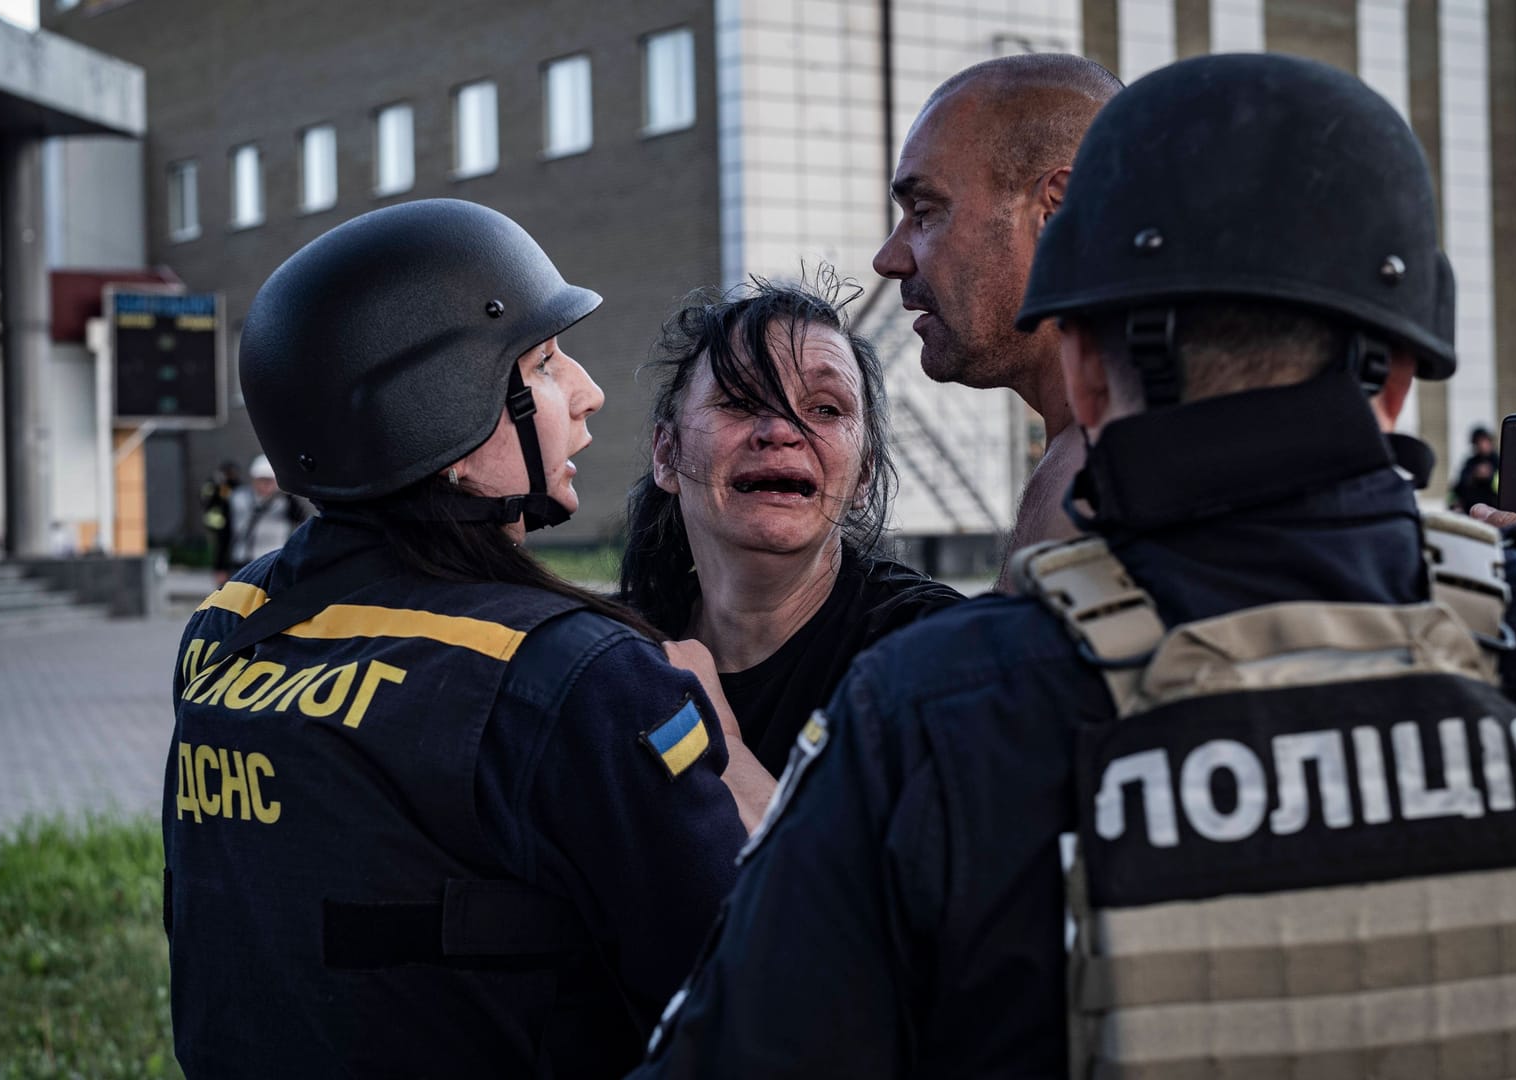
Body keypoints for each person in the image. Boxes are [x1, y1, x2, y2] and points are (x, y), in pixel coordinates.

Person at [634, 54, 1516, 1079]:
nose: (893, 257)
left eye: (925, 211)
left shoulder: (931, 709)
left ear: (1085, 370)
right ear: (1401, 377)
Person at [164, 199, 747, 1079]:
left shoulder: (227, 628)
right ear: (443, 426)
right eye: (546, 364)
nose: (586, 392)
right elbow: (746, 987)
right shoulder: (573, 678)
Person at [618, 276, 964, 781]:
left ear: (864, 472)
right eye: (738, 399)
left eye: (825, 409)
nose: (779, 430)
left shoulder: (931, 650)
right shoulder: (616, 653)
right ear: (666, 454)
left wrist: (714, 744)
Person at [871, 53, 1121, 556]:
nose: (888, 260)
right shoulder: (1096, 456)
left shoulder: (1115, 478)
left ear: (1057, 215)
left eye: (924, 213)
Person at [228, 453, 309, 566]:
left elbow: (300, 519)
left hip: (273, 557)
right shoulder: (239, 498)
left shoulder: (285, 501)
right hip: (242, 557)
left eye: (269, 481)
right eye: (262, 480)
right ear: (254, 480)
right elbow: (226, 531)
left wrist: (288, 496)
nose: (265, 485)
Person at [200, 460, 241, 585]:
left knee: (229, 547)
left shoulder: (235, 485)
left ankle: (227, 570)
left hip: (232, 523)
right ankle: (220, 571)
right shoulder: (214, 485)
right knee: (220, 547)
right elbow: (206, 501)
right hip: (217, 523)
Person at [1451, 423, 1500, 511]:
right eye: (1479, 442)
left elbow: (1504, 487)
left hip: (1493, 511)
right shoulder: (1470, 463)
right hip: (1471, 512)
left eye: (1484, 441)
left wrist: (1490, 475)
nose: (1482, 445)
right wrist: (1474, 475)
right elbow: (1458, 487)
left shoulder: (1498, 461)